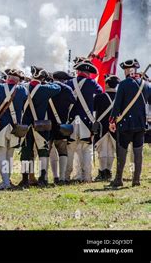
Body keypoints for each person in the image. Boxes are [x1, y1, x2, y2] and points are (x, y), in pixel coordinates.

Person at [109, 59, 151, 187]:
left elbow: (117, 105)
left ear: (127, 70)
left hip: (125, 124)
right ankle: (136, 179)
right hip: (140, 124)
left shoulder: (123, 84)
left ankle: (118, 179)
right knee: (138, 152)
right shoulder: (146, 84)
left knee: (122, 151)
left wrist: (112, 120)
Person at [0, 69, 28, 190]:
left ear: (8, 77)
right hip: (15, 127)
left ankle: (5, 182)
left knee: (1, 154)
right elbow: (24, 98)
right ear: (18, 80)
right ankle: (6, 180)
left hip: (1, 127)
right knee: (9, 155)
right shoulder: (22, 89)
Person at [19, 66, 61, 187]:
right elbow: (57, 87)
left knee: (26, 152)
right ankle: (42, 177)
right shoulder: (45, 88)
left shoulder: (24, 87)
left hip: (26, 125)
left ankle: (25, 179)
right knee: (43, 152)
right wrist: (46, 82)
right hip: (41, 125)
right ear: (43, 78)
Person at [65, 58, 102, 183]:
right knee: (86, 149)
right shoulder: (92, 83)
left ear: (78, 71)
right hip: (86, 121)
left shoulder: (69, 83)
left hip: (72, 121)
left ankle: (66, 176)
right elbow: (100, 92)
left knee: (70, 149)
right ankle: (86, 177)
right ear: (88, 73)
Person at [47, 71, 76, 184]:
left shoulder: (47, 87)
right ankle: (62, 177)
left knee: (49, 151)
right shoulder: (67, 89)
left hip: (48, 123)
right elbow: (73, 101)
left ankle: (51, 176)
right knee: (62, 150)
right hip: (61, 123)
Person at [93, 74, 120, 181]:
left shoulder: (99, 97)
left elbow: (93, 110)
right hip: (116, 126)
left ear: (107, 84)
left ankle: (102, 172)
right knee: (112, 151)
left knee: (102, 151)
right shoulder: (120, 96)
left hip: (102, 127)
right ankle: (108, 172)